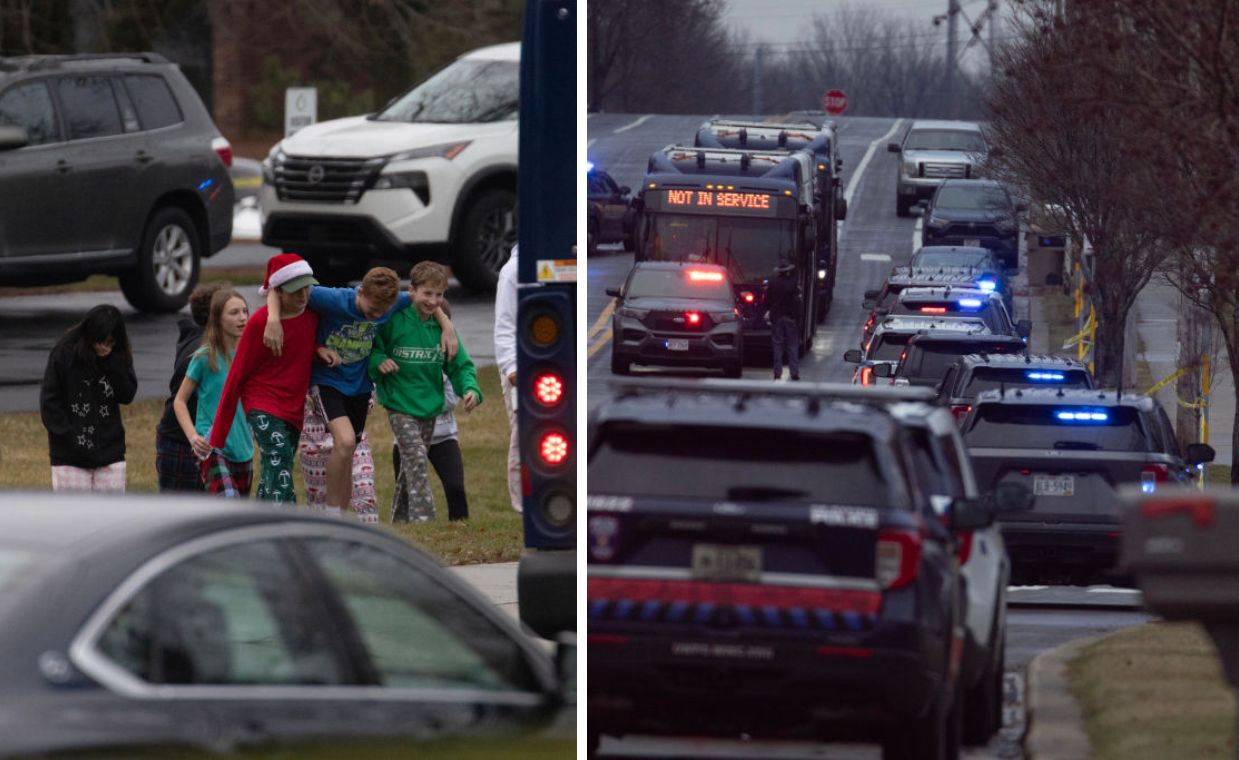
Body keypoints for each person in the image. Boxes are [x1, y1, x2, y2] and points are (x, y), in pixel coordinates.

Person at [262, 267, 457, 519]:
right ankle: (331, 513)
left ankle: (340, 518)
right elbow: (275, 288)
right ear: (361, 292)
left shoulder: (393, 301)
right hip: (328, 380)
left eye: (381, 314)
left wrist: (447, 326)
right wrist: (273, 320)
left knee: (348, 452)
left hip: (360, 386)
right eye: (371, 310)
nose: (375, 316)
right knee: (344, 441)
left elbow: (424, 299)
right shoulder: (333, 299)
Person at [208, 253, 325, 504]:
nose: (303, 295)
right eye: (295, 291)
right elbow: (236, 377)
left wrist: (319, 351)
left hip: (293, 408)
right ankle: (285, 524)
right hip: (262, 403)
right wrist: (217, 436)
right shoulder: (259, 323)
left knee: (276, 467)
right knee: (279, 456)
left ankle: (258, 521)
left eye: (306, 288)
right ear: (279, 292)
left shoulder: (313, 315)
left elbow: (300, 348)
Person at [371, 262, 481, 523]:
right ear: (412, 291)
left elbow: (460, 365)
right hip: (399, 405)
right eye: (427, 294)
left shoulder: (443, 331)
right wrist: (378, 361)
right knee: (417, 458)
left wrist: (470, 389)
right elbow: (371, 347)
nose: (433, 301)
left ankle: (400, 521)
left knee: (409, 468)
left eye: (439, 294)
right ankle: (425, 521)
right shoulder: (394, 319)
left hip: (429, 407)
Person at [40, 304, 138, 492]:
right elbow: (50, 403)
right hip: (70, 456)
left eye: (110, 343)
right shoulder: (63, 354)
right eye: (100, 342)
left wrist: (112, 363)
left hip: (110, 452)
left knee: (112, 517)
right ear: (89, 335)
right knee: (74, 517)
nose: (105, 347)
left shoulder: (118, 355)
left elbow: (127, 394)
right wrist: (70, 436)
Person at [173, 289, 253, 496]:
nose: (242, 317)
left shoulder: (251, 355)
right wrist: (192, 436)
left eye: (245, 311)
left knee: (236, 518)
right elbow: (179, 401)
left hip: (243, 448)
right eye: (234, 312)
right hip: (211, 446)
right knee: (228, 500)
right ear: (217, 319)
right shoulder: (204, 357)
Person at [154, 283, 226, 492]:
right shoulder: (200, 352)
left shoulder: (214, 345)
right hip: (181, 441)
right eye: (232, 310)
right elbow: (182, 399)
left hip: (199, 441)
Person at [392, 374, 471, 522]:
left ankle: (461, 530)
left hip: (444, 437)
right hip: (406, 438)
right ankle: (406, 532)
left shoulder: (446, 355)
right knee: (405, 492)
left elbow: (451, 399)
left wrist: (415, 401)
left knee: (455, 488)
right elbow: (389, 393)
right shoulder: (403, 354)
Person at [493, 244, 522, 513]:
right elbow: (504, 325)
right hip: (521, 372)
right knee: (524, 437)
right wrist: (512, 368)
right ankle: (522, 506)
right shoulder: (513, 271)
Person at [767, 261, 802, 381]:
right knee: (792, 346)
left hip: (777, 317)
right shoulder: (793, 283)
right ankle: (794, 372)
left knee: (777, 346)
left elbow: (767, 300)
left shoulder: (773, 283)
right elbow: (798, 300)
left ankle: (777, 372)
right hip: (790, 317)